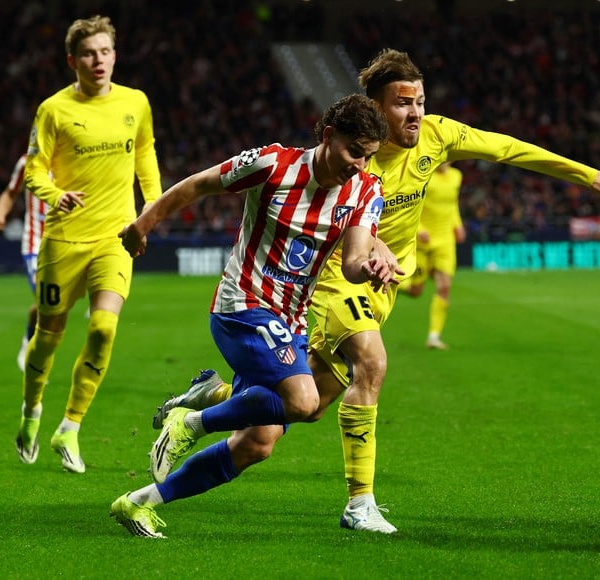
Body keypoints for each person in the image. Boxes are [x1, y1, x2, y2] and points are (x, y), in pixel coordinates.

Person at [152, 48, 600, 534]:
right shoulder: (355, 160)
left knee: (307, 408)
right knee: (373, 362)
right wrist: (375, 249)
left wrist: (586, 173)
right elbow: (348, 223)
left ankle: (214, 395)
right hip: (338, 278)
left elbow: (505, 147)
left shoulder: (438, 136)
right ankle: (359, 503)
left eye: (420, 101)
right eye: (403, 103)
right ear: (376, 110)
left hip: (383, 289)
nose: (416, 113)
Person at [109, 93, 396, 538]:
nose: (359, 164)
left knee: (257, 444)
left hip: (290, 321)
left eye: (369, 156)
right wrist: (143, 223)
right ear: (327, 136)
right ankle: (192, 420)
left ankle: (139, 502)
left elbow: (356, 260)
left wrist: (372, 267)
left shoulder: (366, 190)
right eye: (353, 151)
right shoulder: (271, 164)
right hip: (242, 304)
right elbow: (198, 184)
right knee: (303, 400)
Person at [15, 15, 163, 474]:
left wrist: (153, 206)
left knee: (103, 328)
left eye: (104, 52)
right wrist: (56, 195)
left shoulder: (135, 102)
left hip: (115, 236)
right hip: (63, 240)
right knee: (47, 338)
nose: (98, 61)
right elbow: (35, 168)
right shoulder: (54, 110)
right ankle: (32, 410)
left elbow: (144, 152)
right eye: (88, 54)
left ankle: (71, 427)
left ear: (114, 55)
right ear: (72, 60)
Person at [399, 162, 466, 350]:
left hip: (445, 240)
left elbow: (453, 204)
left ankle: (434, 337)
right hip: (424, 241)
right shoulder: (423, 175)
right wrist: (418, 228)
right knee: (416, 291)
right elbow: (410, 204)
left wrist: (457, 224)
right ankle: (395, 282)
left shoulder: (456, 175)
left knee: (444, 287)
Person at [0, 154, 47, 372]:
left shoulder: (72, 158)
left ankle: (29, 337)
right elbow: (9, 193)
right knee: (45, 301)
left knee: (52, 307)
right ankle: (32, 353)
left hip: (64, 244)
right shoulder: (27, 162)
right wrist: (0, 215)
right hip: (35, 245)